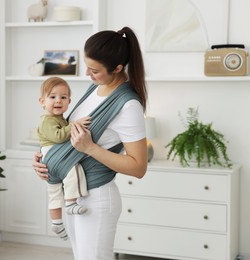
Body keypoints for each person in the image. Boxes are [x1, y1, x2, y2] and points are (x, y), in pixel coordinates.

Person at [32, 26, 148, 260]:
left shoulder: (128, 105)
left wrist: (90, 148)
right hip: (74, 194)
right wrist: (47, 156)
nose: (87, 73)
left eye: (94, 70)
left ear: (116, 68)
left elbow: (138, 167)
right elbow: (69, 133)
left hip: (96, 197)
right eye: (87, 66)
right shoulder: (95, 88)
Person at [38, 76, 92, 241]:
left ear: (69, 101)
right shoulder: (47, 120)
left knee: (54, 193)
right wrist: (76, 125)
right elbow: (59, 136)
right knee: (73, 169)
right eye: (52, 97)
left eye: (63, 97)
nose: (58, 101)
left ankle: (56, 223)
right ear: (42, 101)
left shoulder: (58, 118)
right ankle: (70, 203)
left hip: (49, 157)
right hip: (53, 155)